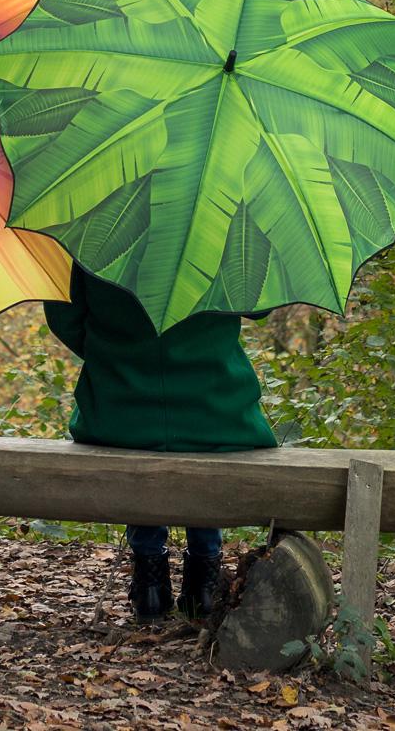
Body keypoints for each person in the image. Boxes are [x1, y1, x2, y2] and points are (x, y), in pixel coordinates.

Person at [44, 266, 277, 624]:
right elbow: (261, 304)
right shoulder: (224, 226)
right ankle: (204, 582)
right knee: (206, 442)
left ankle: (149, 582)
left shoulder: (95, 236)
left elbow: (63, 314)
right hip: (215, 405)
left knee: (139, 438)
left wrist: (116, 354)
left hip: (118, 405)